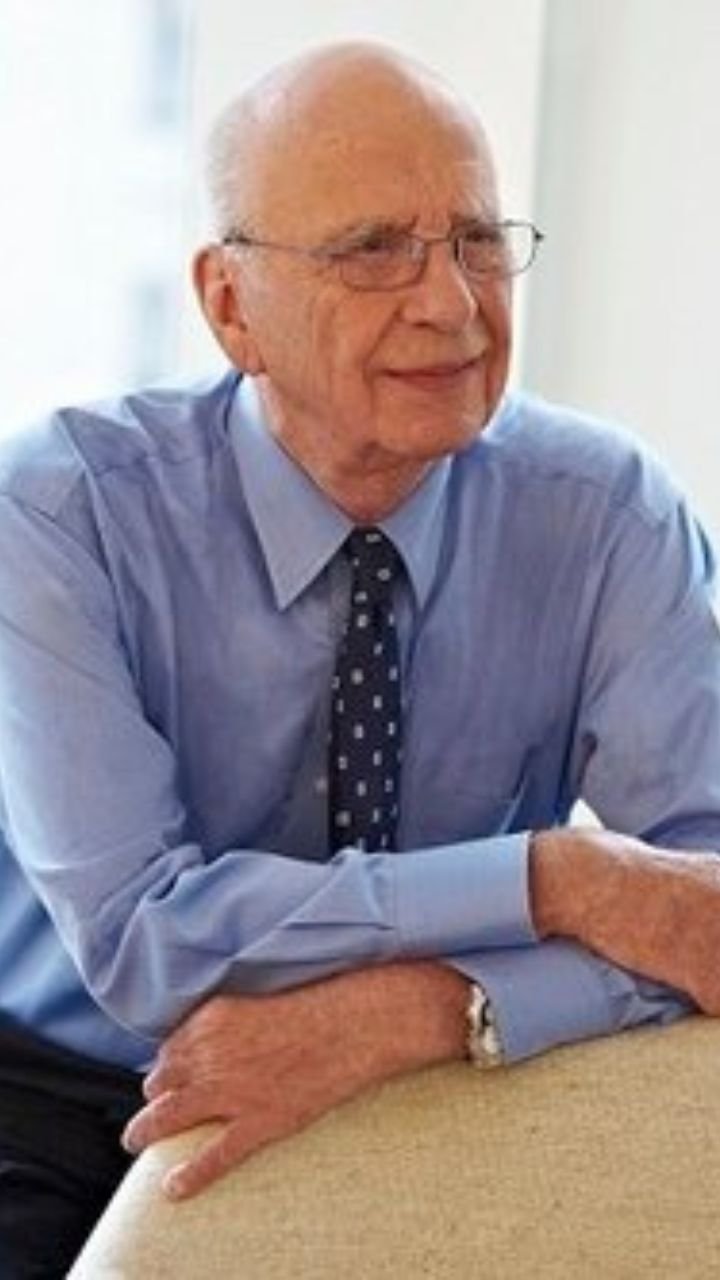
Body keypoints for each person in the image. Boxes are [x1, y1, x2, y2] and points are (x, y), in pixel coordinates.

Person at [0, 38, 719, 1277]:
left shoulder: (606, 514)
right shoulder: (61, 514)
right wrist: (550, 878)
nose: (452, 304)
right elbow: (144, 941)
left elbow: (705, 905)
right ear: (231, 305)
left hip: (431, 1077)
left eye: (478, 240)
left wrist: (438, 1004)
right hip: (62, 1087)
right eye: (374, 249)